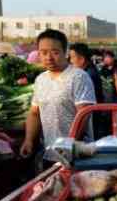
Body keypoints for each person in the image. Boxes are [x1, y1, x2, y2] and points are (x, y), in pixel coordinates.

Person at [20, 30, 96, 160]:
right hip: (50, 152)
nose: (48, 57)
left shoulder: (78, 77)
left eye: (55, 52)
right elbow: (34, 113)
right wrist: (29, 140)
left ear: (65, 52)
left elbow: (83, 114)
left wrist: (69, 146)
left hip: (76, 153)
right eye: (43, 53)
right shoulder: (41, 79)